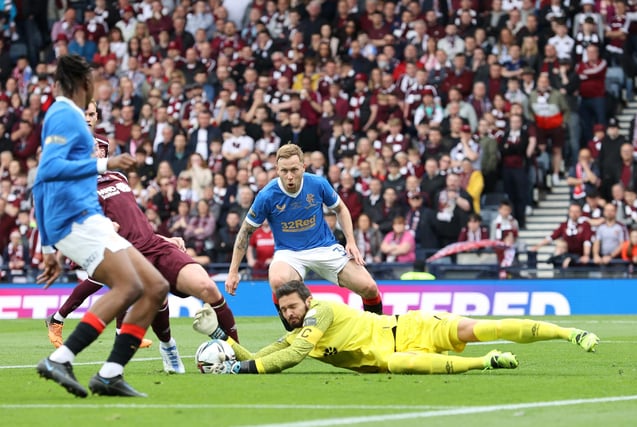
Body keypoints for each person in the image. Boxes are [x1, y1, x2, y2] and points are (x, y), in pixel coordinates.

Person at [44, 101, 239, 375]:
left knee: (207, 288)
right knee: (146, 293)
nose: (96, 149)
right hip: (122, 251)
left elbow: (134, 218)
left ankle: (237, 353)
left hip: (153, 243)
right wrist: (100, 227)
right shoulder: (78, 185)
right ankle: (161, 349)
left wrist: (162, 237)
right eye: (90, 147)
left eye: (100, 147)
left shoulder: (118, 177)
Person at [33, 54, 168, 398]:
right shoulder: (66, 114)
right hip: (76, 219)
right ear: (84, 82)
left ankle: (110, 373)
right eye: (93, 79)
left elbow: (39, 186)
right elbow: (47, 171)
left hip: (85, 218)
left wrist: (48, 248)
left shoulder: (66, 116)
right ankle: (60, 358)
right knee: (128, 287)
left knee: (154, 285)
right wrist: (104, 163)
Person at [193, 280, 600, 375]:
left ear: (307, 301)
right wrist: (220, 340)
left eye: (293, 306)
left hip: (412, 328)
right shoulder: (300, 331)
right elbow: (263, 356)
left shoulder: (322, 313)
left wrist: (242, 369)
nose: (290, 314)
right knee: (396, 366)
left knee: (486, 326)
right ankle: (486, 363)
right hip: (396, 354)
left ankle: (569, 334)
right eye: (285, 310)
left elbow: (290, 357)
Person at [224, 144, 383, 327]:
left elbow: (340, 208)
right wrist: (233, 271)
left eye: (294, 170)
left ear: (303, 168)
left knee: (369, 288)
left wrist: (351, 241)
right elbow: (245, 231)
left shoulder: (317, 183)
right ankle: (296, 335)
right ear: (277, 170)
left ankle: (378, 330)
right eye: (284, 171)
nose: (289, 176)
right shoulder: (267, 195)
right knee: (277, 280)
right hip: (289, 253)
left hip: (324, 247)